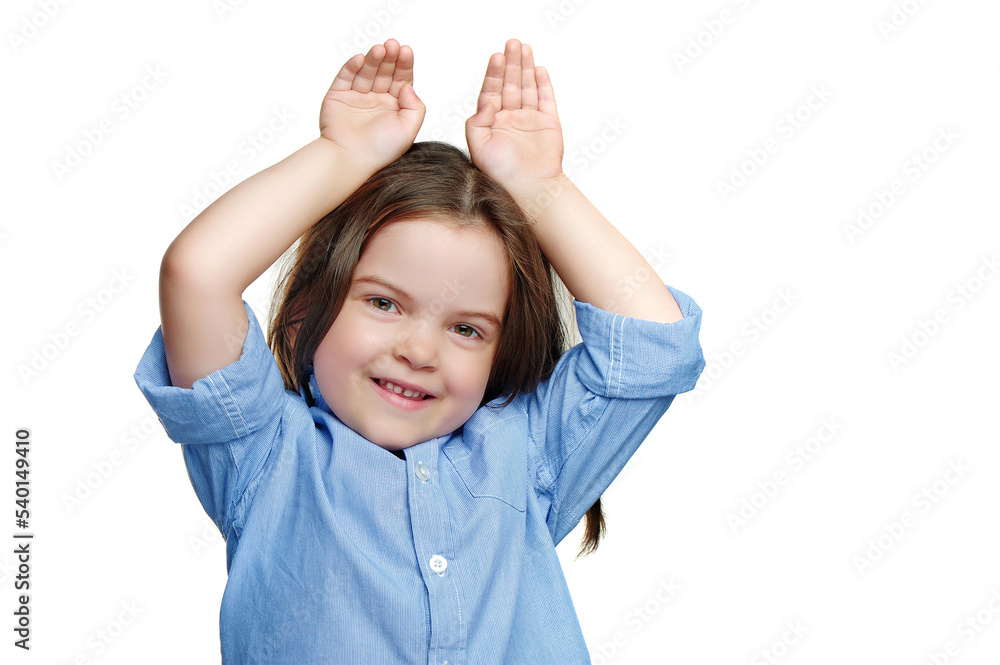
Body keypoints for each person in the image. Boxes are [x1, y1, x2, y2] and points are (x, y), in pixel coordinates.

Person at [134, 37, 705, 664]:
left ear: (497, 357)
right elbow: (198, 273)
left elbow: (652, 339)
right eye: (383, 303)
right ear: (301, 319)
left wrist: (540, 185)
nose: (419, 350)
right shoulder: (265, 458)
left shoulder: (526, 454)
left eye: (467, 329)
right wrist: (340, 155)